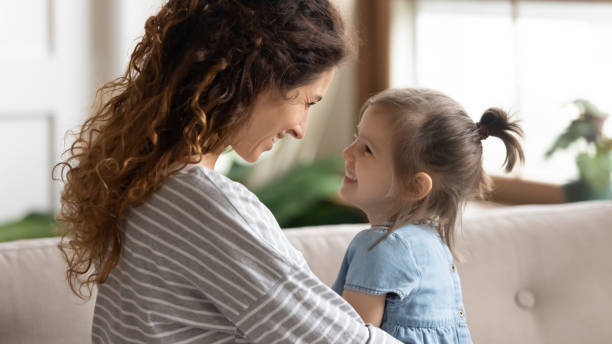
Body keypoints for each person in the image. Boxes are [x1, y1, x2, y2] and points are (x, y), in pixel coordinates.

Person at [54, 0, 403, 343]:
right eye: (305, 101)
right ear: (255, 82)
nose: (301, 129)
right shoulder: (209, 204)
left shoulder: (147, 180)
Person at [332, 88, 525, 343]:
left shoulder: (379, 246)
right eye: (357, 137)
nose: (348, 152)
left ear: (414, 186)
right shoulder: (432, 244)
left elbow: (350, 339)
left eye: (367, 149)